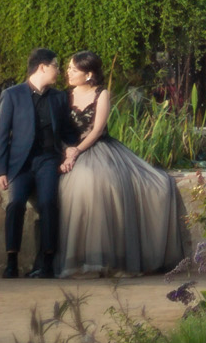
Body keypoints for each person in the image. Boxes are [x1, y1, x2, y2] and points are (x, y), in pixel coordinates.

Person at [56, 50, 191, 276]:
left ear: (88, 74)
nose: (68, 72)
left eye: (73, 69)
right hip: (68, 148)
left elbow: (97, 129)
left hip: (97, 147)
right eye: (68, 68)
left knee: (118, 182)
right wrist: (67, 151)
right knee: (79, 183)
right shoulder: (64, 96)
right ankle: (80, 259)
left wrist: (77, 151)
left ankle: (111, 259)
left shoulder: (102, 93)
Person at [0, 48, 76, 279]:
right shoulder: (13, 95)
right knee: (15, 203)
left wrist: (71, 149)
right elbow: (1, 135)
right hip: (20, 164)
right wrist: (0, 170)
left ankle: (47, 262)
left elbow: (68, 132)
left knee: (49, 203)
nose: (59, 71)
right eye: (56, 66)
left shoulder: (59, 97)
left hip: (48, 160)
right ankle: (12, 261)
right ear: (42, 67)